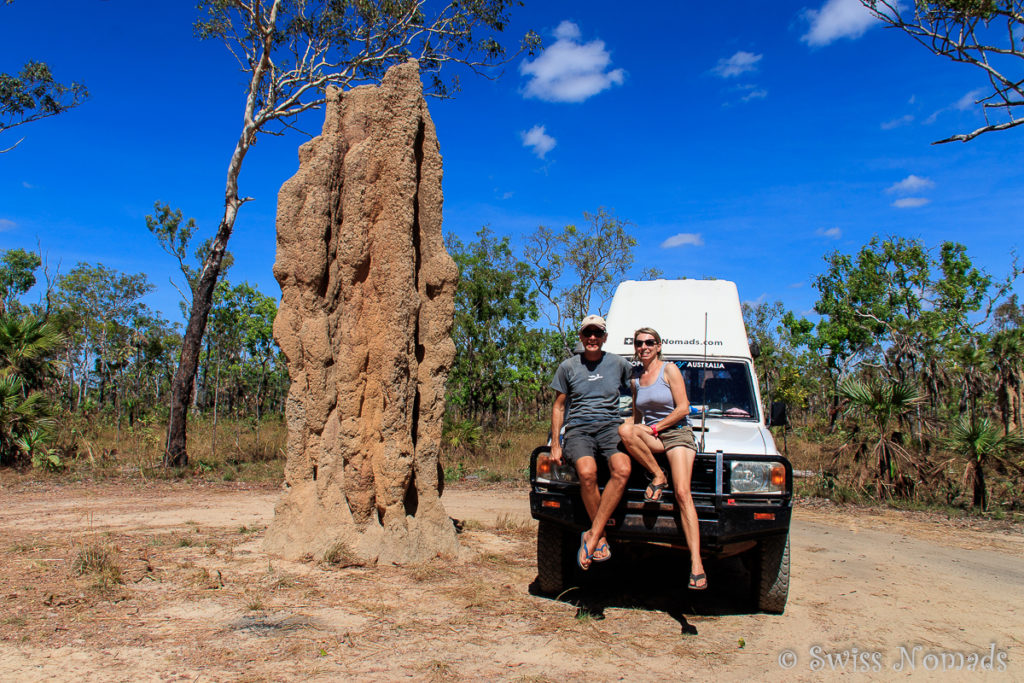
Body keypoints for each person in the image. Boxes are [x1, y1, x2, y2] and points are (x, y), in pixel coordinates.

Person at [618, 326, 707, 590]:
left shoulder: (670, 370)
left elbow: (683, 409)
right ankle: (658, 475)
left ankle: (696, 563)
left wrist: (656, 428)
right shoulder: (635, 379)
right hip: (654, 437)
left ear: (658, 346)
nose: (643, 347)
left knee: (682, 493)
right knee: (623, 429)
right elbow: (635, 418)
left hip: (677, 433)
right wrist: (628, 436)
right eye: (638, 343)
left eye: (649, 342)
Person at [549, 314, 634, 571]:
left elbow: (638, 390)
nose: (593, 338)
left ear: (605, 337)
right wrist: (556, 443)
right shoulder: (568, 367)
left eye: (598, 333)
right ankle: (601, 537)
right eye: (588, 333)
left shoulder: (619, 364)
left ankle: (593, 534)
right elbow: (558, 406)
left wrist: (633, 424)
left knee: (623, 469)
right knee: (587, 473)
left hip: (611, 428)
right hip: (579, 430)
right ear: (581, 337)